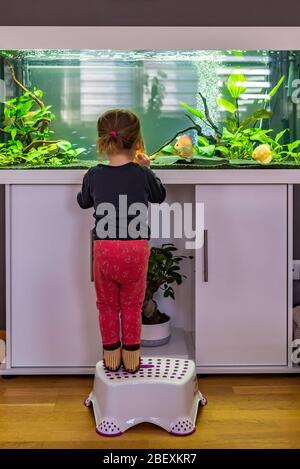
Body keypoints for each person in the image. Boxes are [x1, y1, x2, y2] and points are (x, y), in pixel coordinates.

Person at [77, 109, 166, 373]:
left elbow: (84, 202)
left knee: (106, 305)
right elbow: (159, 196)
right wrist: (148, 168)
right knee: (131, 305)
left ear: (102, 140)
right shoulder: (142, 174)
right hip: (135, 250)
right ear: (138, 141)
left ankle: (111, 359)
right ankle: (132, 359)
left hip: (104, 249)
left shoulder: (94, 174)